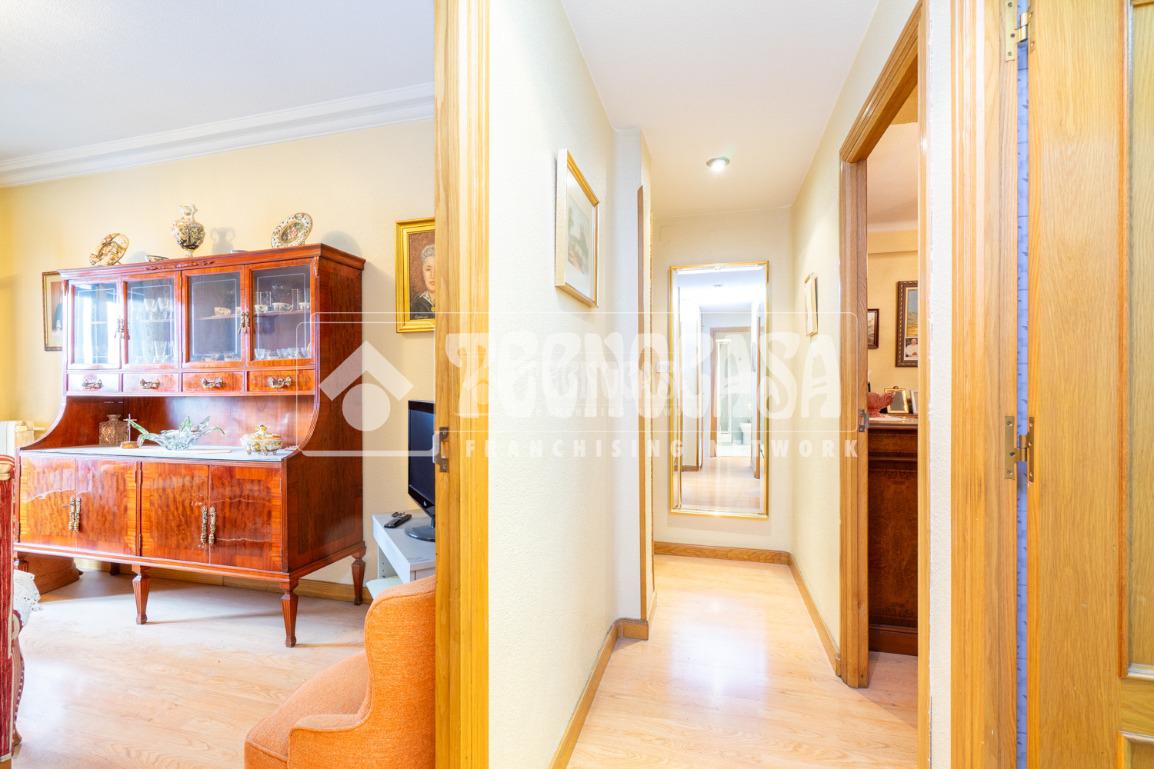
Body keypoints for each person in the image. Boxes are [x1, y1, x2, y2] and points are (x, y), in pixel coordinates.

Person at [411, 244, 436, 319]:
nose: (432, 275)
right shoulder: (416, 303)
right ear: (423, 272)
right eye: (428, 269)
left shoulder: (450, 301)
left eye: (437, 269)